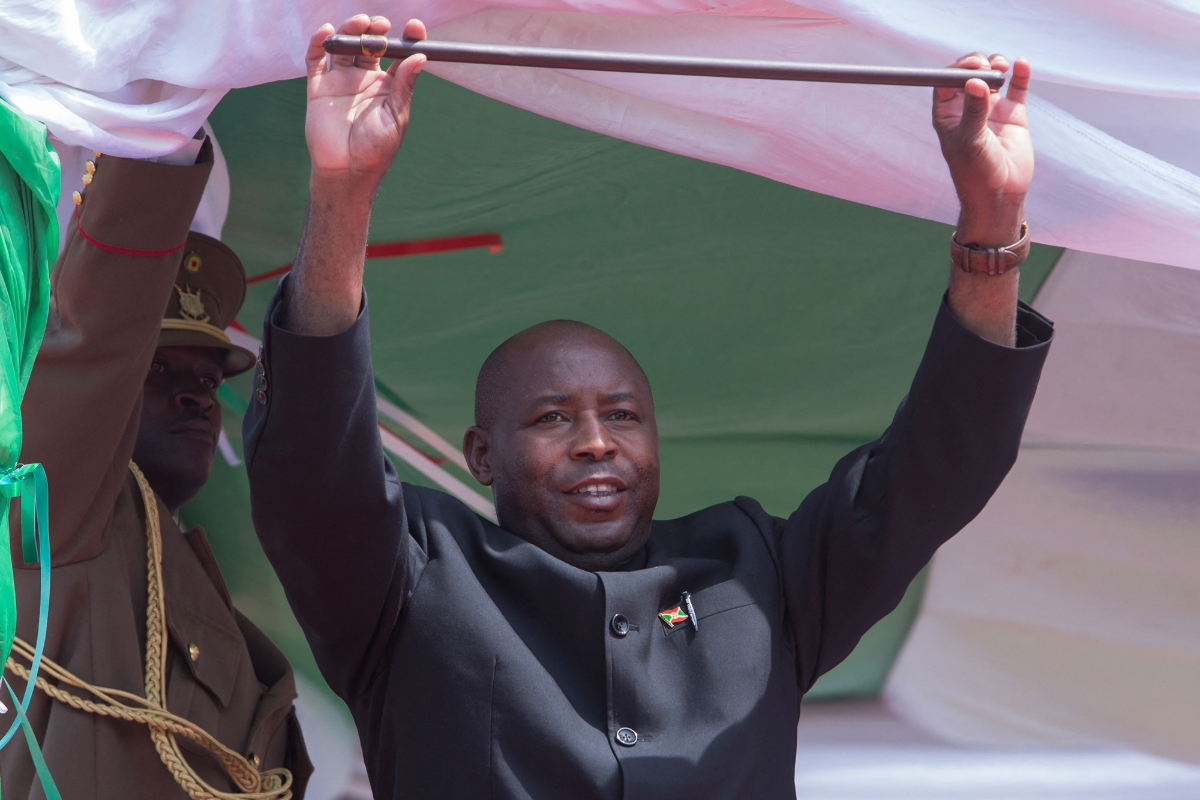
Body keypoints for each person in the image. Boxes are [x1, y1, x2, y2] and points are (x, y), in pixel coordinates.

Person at [244, 15, 1052, 799]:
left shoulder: (758, 574)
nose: (596, 442)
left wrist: (992, 218)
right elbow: (313, 458)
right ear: (481, 455)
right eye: (552, 417)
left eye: (623, 415)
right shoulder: (410, 580)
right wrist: (344, 187)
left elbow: (937, 467)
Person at [2, 138, 311, 798]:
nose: (198, 396)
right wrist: (158, 142)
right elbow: (95, 343)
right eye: (158, 369)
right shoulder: (59, 507)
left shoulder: (179, 565)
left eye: (209, 379)